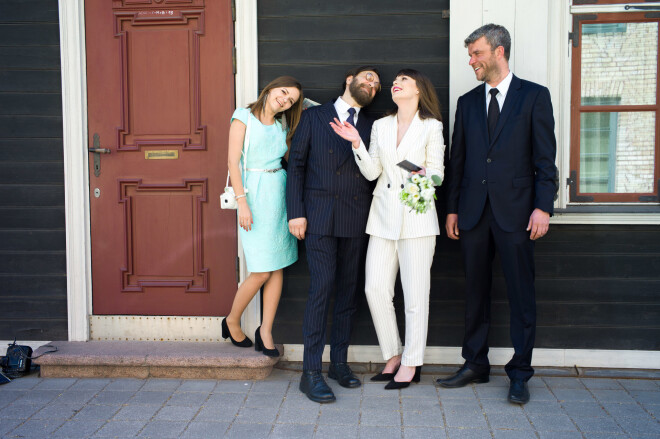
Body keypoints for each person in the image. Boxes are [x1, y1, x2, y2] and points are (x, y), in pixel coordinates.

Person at [438, 24, 558, 404]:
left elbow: (545, 160)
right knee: (475, 291)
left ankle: (520, 372)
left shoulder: (535, 97)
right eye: (470, 54)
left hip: (518, 214)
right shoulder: (467, 102)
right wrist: (453, 208)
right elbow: (457, 161)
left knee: (522, 294)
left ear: (499, 51)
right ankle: (475, 363)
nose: (471, 60)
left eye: (476, 53)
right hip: (473, 214)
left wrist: (543, 206)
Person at [330, 69, 444, 389]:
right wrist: (356, 144)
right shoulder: (380, 125)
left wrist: (405, 164)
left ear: (419, 89)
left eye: (404, 80)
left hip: (417, 217)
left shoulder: (431, 127)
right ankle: (393, 353)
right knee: (375, 289)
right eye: (394, 81)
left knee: (415, 295)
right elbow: (372, 172)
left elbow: (435, 177)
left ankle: (411, 362)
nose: (396, 83)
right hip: (381, 217)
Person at [286, 66, 381, 403]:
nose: (372, 84)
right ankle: (310, 372)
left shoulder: (373, 126)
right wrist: (295, 211)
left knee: (348, 292)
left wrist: (423, 176)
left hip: (356, 218)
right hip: (320, 218)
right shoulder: (315, 117)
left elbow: (379, 169)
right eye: (367, 78)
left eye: (377, 83)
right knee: (321, 288)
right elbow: (295, 165)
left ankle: (339, 362)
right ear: (349, 80)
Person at [222, 76, 304, 358]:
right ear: (270, 88)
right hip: (253, 195)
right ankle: (232, 320)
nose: (285, 100)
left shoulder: (283, 124)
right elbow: (233, 161)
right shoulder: (243, 116)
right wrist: (242, 202)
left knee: (278, 266)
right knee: (261, 271)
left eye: (291, 100)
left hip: (278, 194)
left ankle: (265, 330)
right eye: (283, 92)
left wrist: (301, 106)